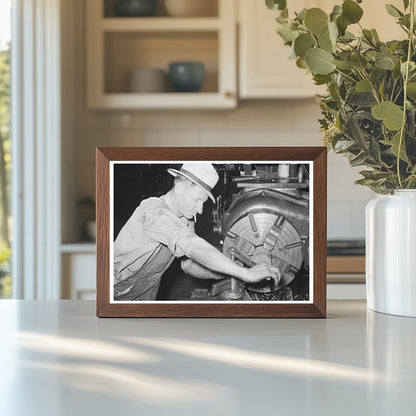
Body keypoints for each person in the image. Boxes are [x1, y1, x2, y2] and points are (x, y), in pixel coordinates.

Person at [113, 163, 281, 300]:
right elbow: (193, 246)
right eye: (197, 200)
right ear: (180, 187)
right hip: (115, 291)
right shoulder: (154, 212)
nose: (200, 210)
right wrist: (246, 274)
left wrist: (226, 272)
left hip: (147, 291)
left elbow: (189, 264)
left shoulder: (186, 219)